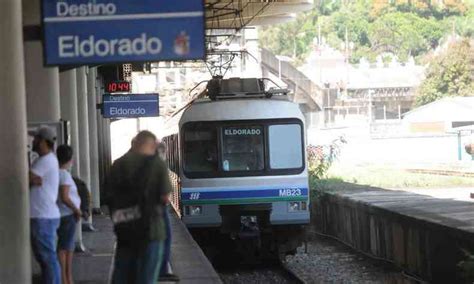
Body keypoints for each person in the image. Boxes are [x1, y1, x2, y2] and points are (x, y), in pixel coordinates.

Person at [106, 131, 172, 284]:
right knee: (147, 278)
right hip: (151, 229)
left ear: (135, 143)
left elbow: (108, 196)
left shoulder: (117, 164)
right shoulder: (157, 164)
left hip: (124, 228)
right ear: (152, 144)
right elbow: (165, 197)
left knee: (123, 274)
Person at [29, 126, 61, 284]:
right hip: (43, 216)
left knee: (47, 260)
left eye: (35, 139)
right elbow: (31, 179)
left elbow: (26, 178)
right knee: (46, 259)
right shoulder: (45, 160)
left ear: (43, 141)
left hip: (43, 217)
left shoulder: (45, 160)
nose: (32, 141)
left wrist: (31, 178)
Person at [56, 145, 82, 284]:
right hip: (67, 214)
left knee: (65, 246)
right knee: (66, 247)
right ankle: (67, 278)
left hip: (61, 213)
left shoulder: (55, 173)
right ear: (70, 159)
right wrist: (76, 210)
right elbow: (65, 197)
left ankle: (65, 278)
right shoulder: (64, 175)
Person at [157, 142, 179, 282]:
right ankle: (161, 270)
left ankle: (161, 269)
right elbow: (165, 194)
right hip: (157, 208)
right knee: (165, 238)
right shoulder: (157, 167)